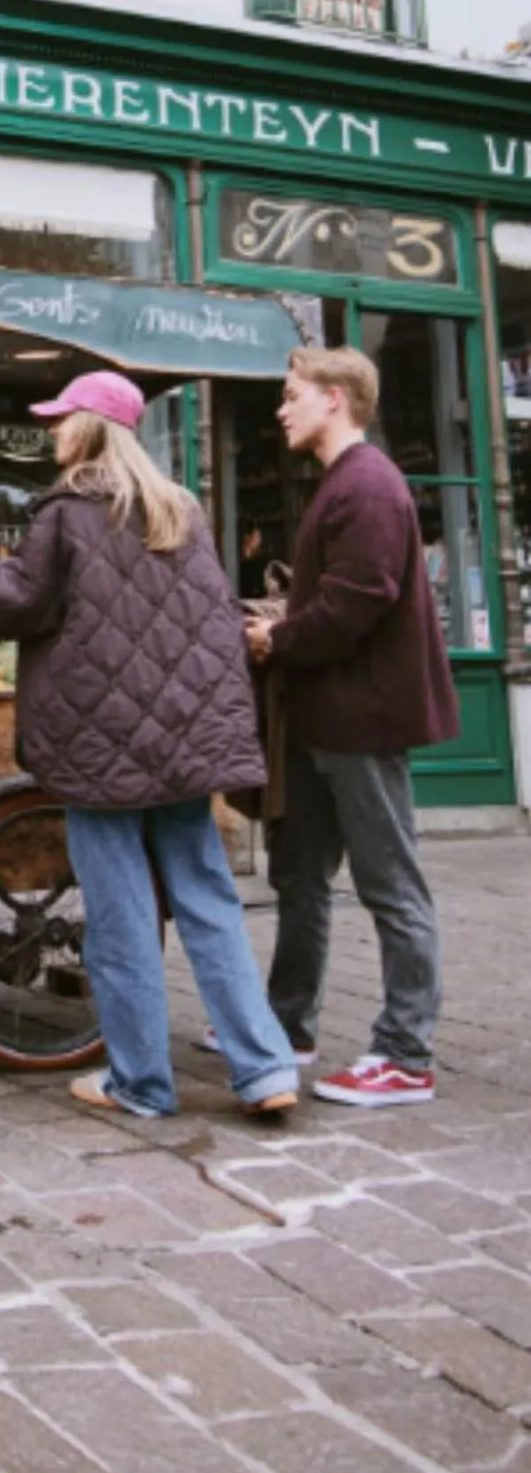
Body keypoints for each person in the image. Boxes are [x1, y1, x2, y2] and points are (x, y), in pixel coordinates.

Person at [0, 371, 299, 1120]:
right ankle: (264, 1070)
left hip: (100, 748)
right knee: (209, 902)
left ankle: (142, 1084)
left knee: (121, 915)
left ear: (92, 428)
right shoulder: (179, 508)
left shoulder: (67, 512)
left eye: (62, 419)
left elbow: (12, 605)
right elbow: (210, 623)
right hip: (181, 744)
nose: (53, 431)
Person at [245, 346, 458, 1108]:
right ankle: (286, 1026)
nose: (280, 408)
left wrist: (276, 637)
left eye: (290, 394)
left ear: (334, 399)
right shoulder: (340, 483)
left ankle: (405, 1054)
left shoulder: (366, 484)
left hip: (360, 721)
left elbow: (357, 601)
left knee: (390, 886)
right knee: (298, 875)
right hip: (319, 719)